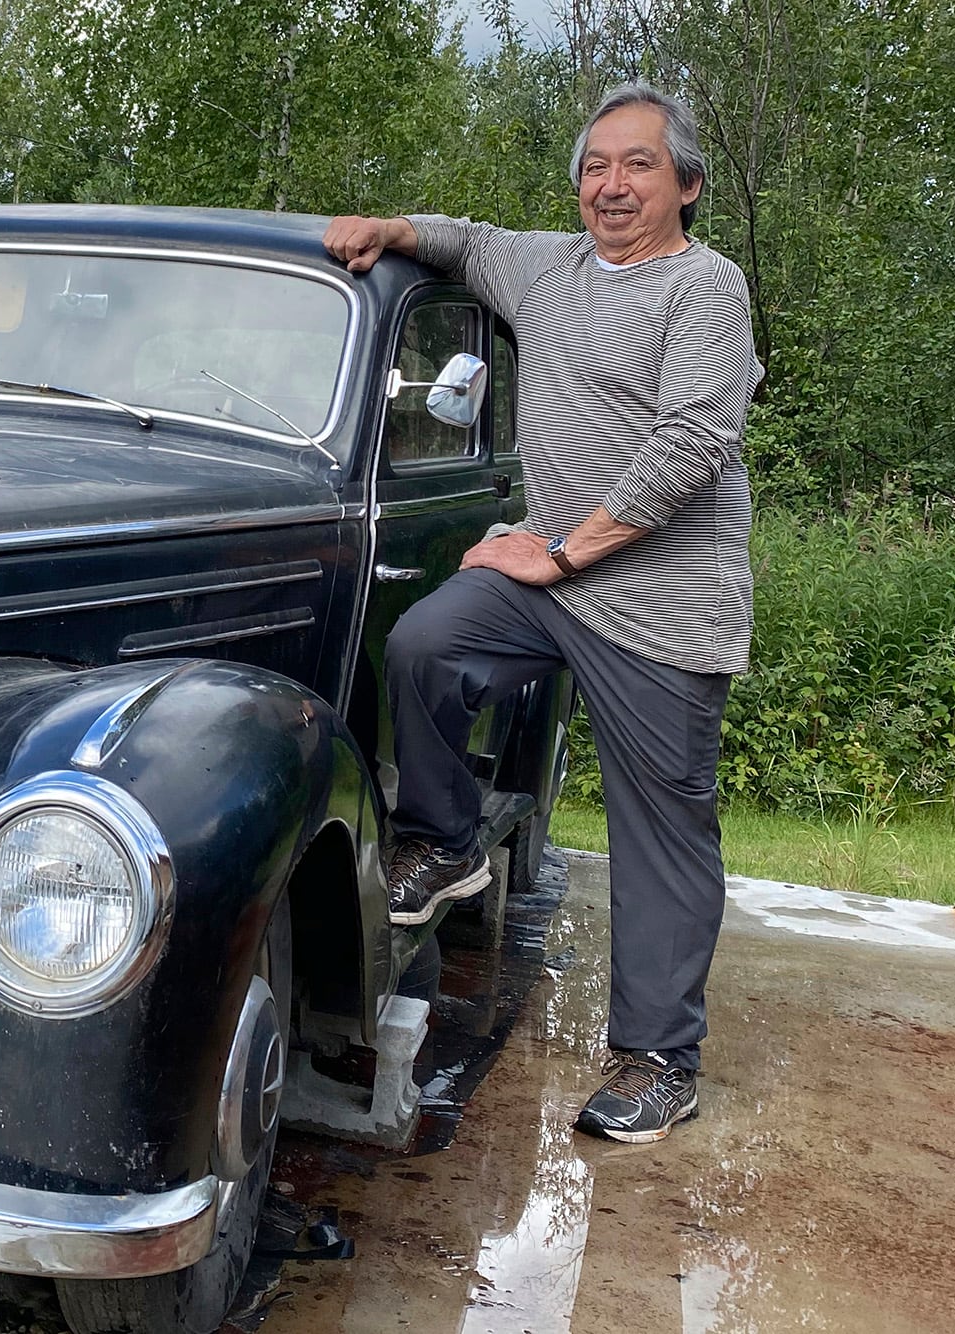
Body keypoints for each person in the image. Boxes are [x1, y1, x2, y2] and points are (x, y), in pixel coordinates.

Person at [322, 82, 762, 1144]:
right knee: (425, 641)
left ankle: (658, 1056)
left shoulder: (704, 288)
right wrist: (389, 228)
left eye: (637, 165)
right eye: (593, 166)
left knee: (658, 826)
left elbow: (690, 446)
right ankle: (445, 839)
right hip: (544, 586)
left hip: (656, 603)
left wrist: (562, 548)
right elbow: (463, 239)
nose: (610, 184)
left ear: (686, 185)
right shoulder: (547, 266)